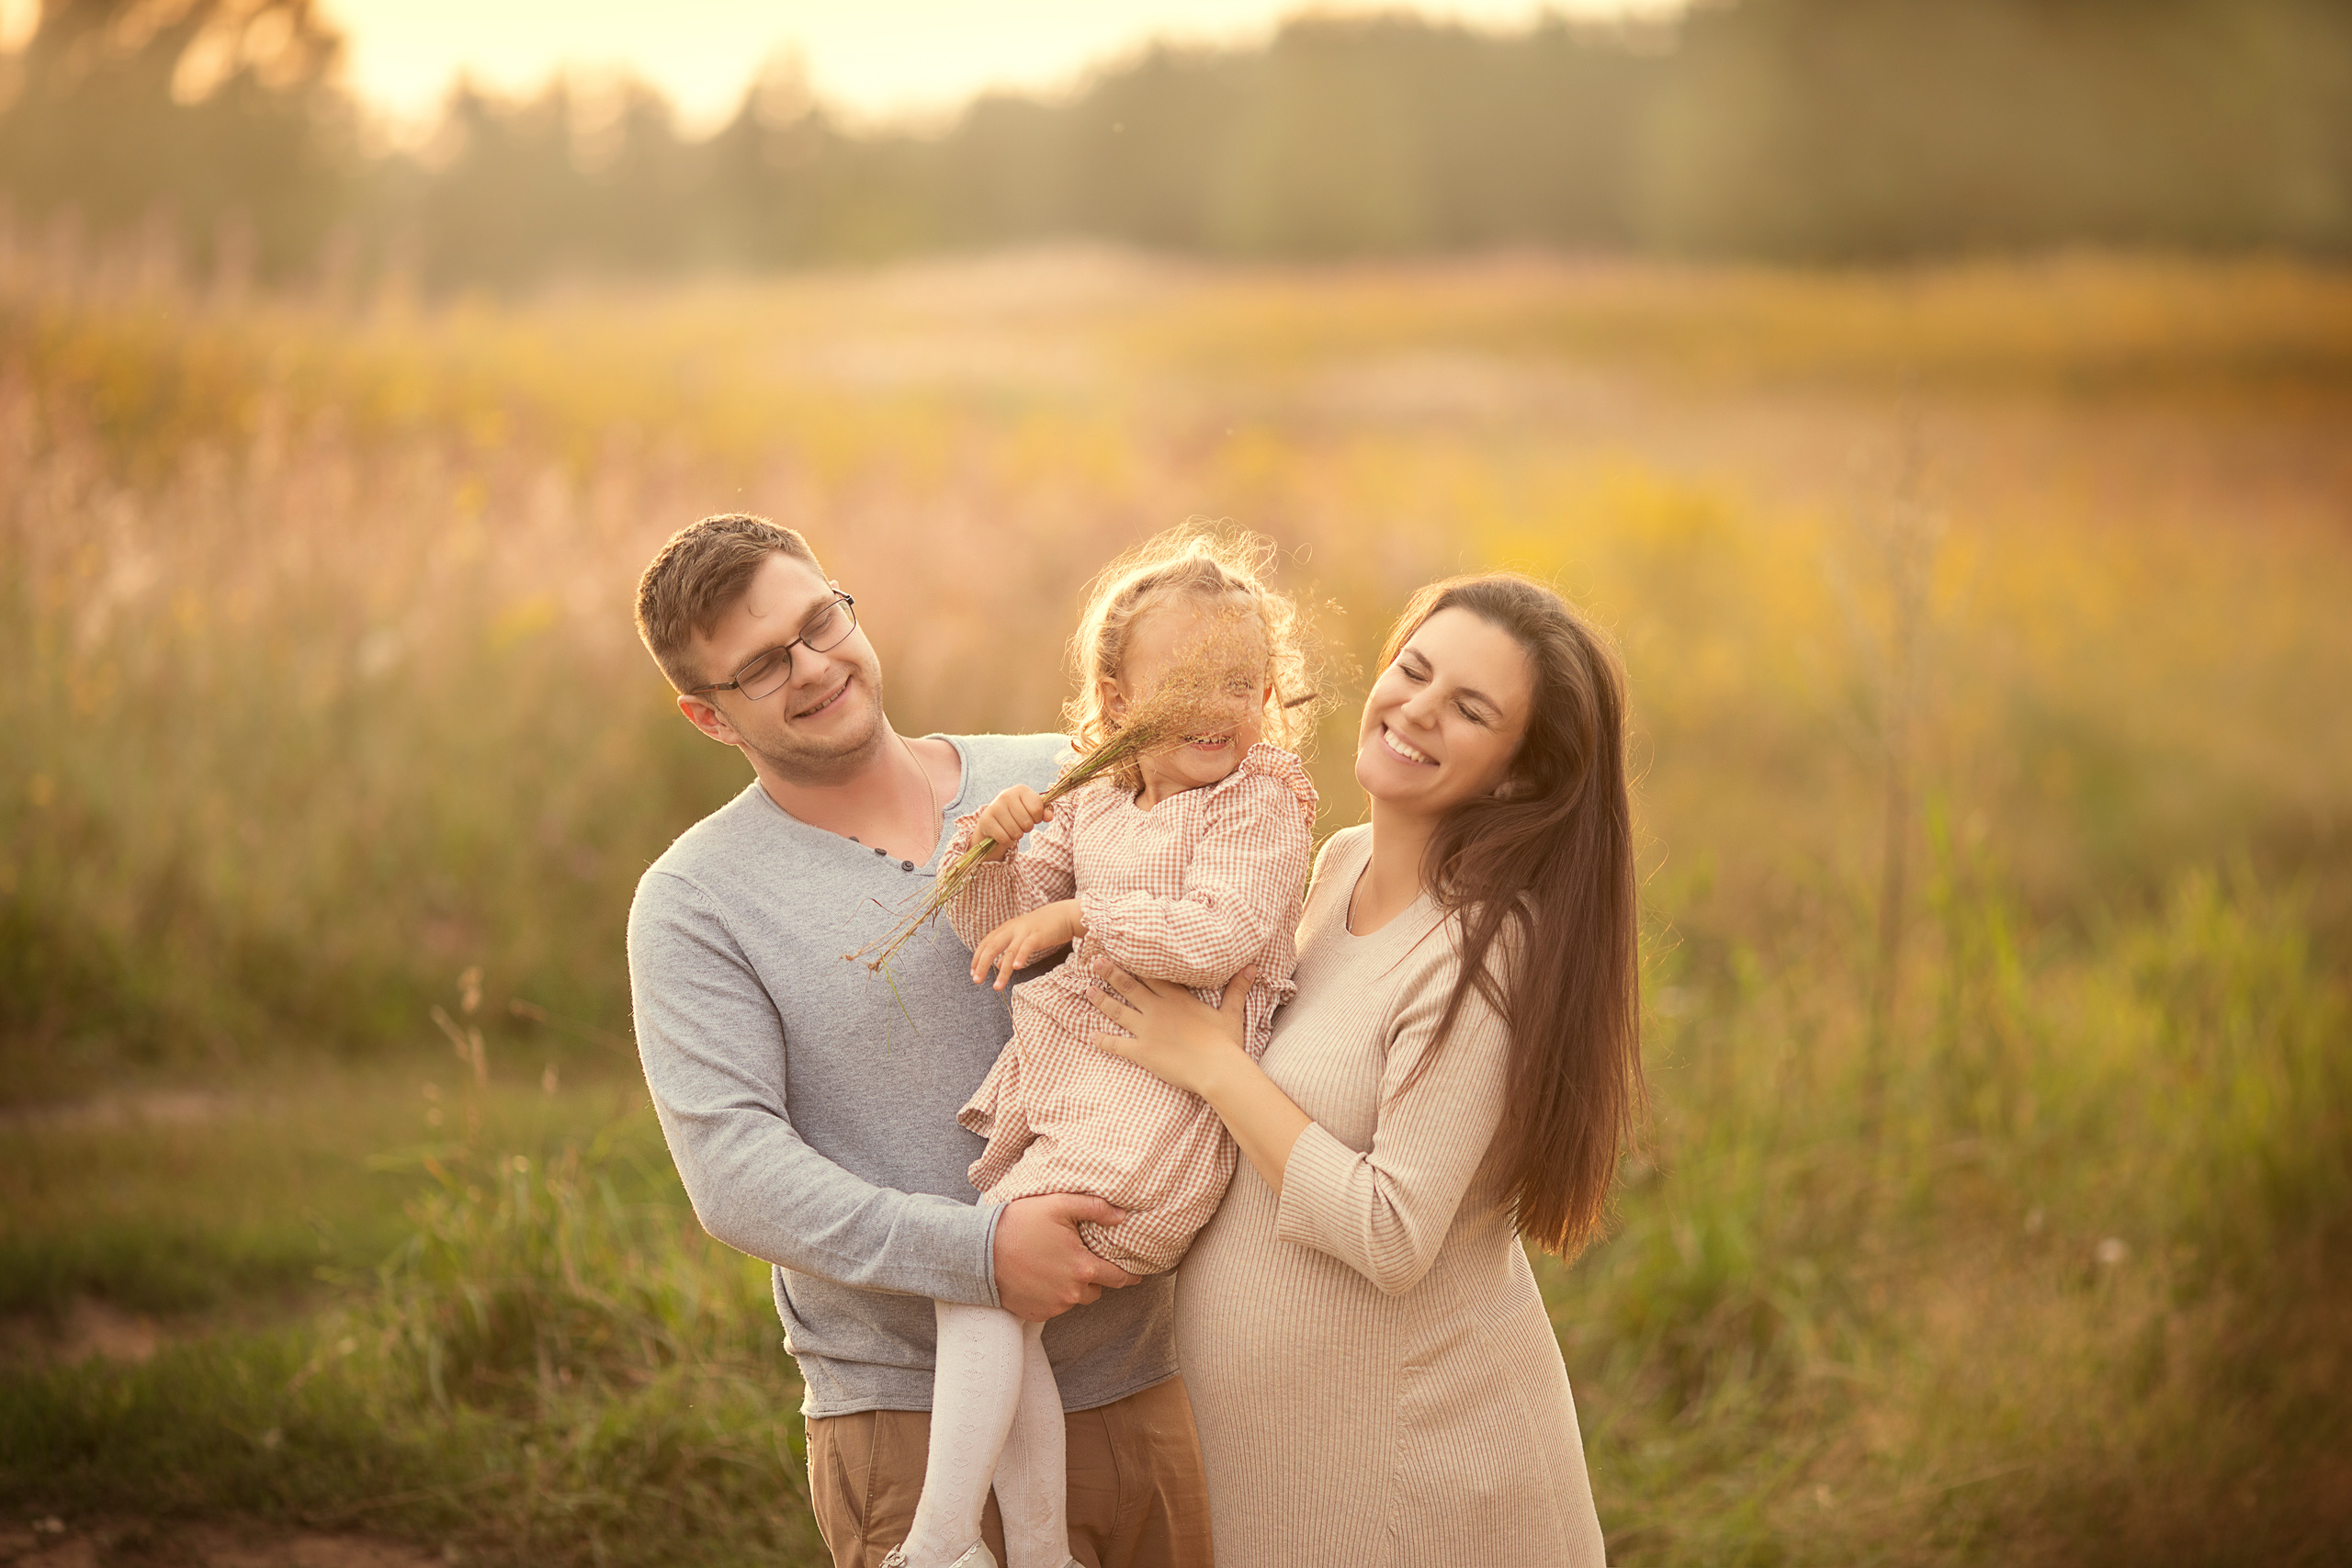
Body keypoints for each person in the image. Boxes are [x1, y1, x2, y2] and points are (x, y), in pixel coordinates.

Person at [624, 513, 1215, 1568]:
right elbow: (735, 1173)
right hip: (913, 1424)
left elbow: (1220, 927)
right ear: (707, 717)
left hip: (1145, 1382)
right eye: (762, 667)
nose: (813, 668)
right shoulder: (695, 901)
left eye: (818, 623)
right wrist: (981, 1257)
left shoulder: (1064, 774)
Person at [1085, 573, 1641, 1566]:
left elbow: (1391, 1231)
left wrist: (1215, 1068)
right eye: (1412, 671)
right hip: (1293, 1456)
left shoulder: (1482, 952)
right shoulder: (1337, 862)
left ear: (1518, 774)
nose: (1417, 709)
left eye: (1469, 709)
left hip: (1419, 1473)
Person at [889, 533, 1321, 1568]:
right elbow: (1003, 928)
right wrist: (988, 852)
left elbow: (1218, 933)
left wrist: (1084, 915)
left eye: (1240, 682)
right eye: (1186, 684)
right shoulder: (1090, 798)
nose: (1219, 707)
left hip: (1164, 1111)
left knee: (982, 1271)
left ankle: (940, 1546)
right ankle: (1033, 1555)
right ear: (1118, 702)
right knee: (990, 1287)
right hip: (1085, 1096)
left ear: (1268, 694)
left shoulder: (1261, 801)